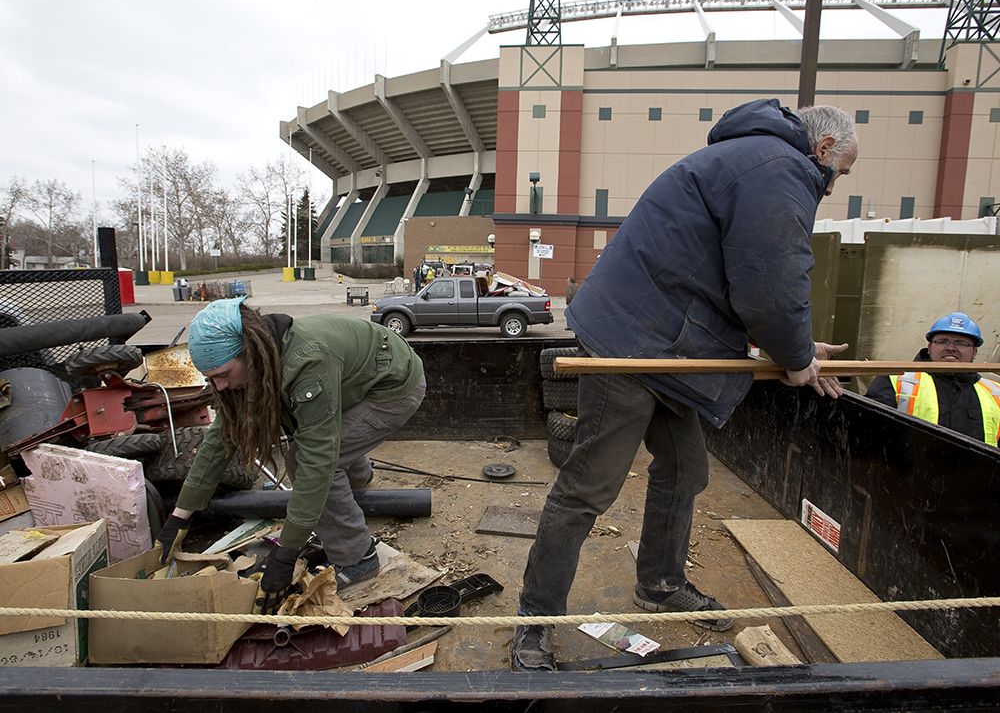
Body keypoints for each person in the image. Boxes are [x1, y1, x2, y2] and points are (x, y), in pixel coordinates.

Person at [510, 98, 857, 671]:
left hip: (667, 340)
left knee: (684, 469)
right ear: (823, 150)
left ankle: (660, 583)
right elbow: (770, 286)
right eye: (840, 173)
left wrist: (795, 344)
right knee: (588, 487)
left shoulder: (756, 159)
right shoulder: (782, 169)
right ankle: (533, 622)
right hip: (632, 342)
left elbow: (736, 273)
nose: (835, 185)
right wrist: (795, 356)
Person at [155, 297, 426, 612]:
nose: (220, 386)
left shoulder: (306, 364)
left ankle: (357, 559)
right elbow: (221, 439)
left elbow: (316, 464)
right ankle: (358, 482)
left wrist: (285, 554)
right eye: (211, 378)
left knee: (304, 460)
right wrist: (181, 515)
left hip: (394, 385)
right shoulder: (261, 362)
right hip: (357, 377)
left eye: (223, 374)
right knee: (325, 440)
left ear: (250, 353)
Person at [866, 312, 999, 446]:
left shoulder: (995, 393)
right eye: (942, 341)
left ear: (974, 352)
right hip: (911, 466)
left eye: (961, 343)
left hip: (979, 467)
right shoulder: (896, 379)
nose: (951, 348)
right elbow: (867, 427)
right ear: (929, 347)